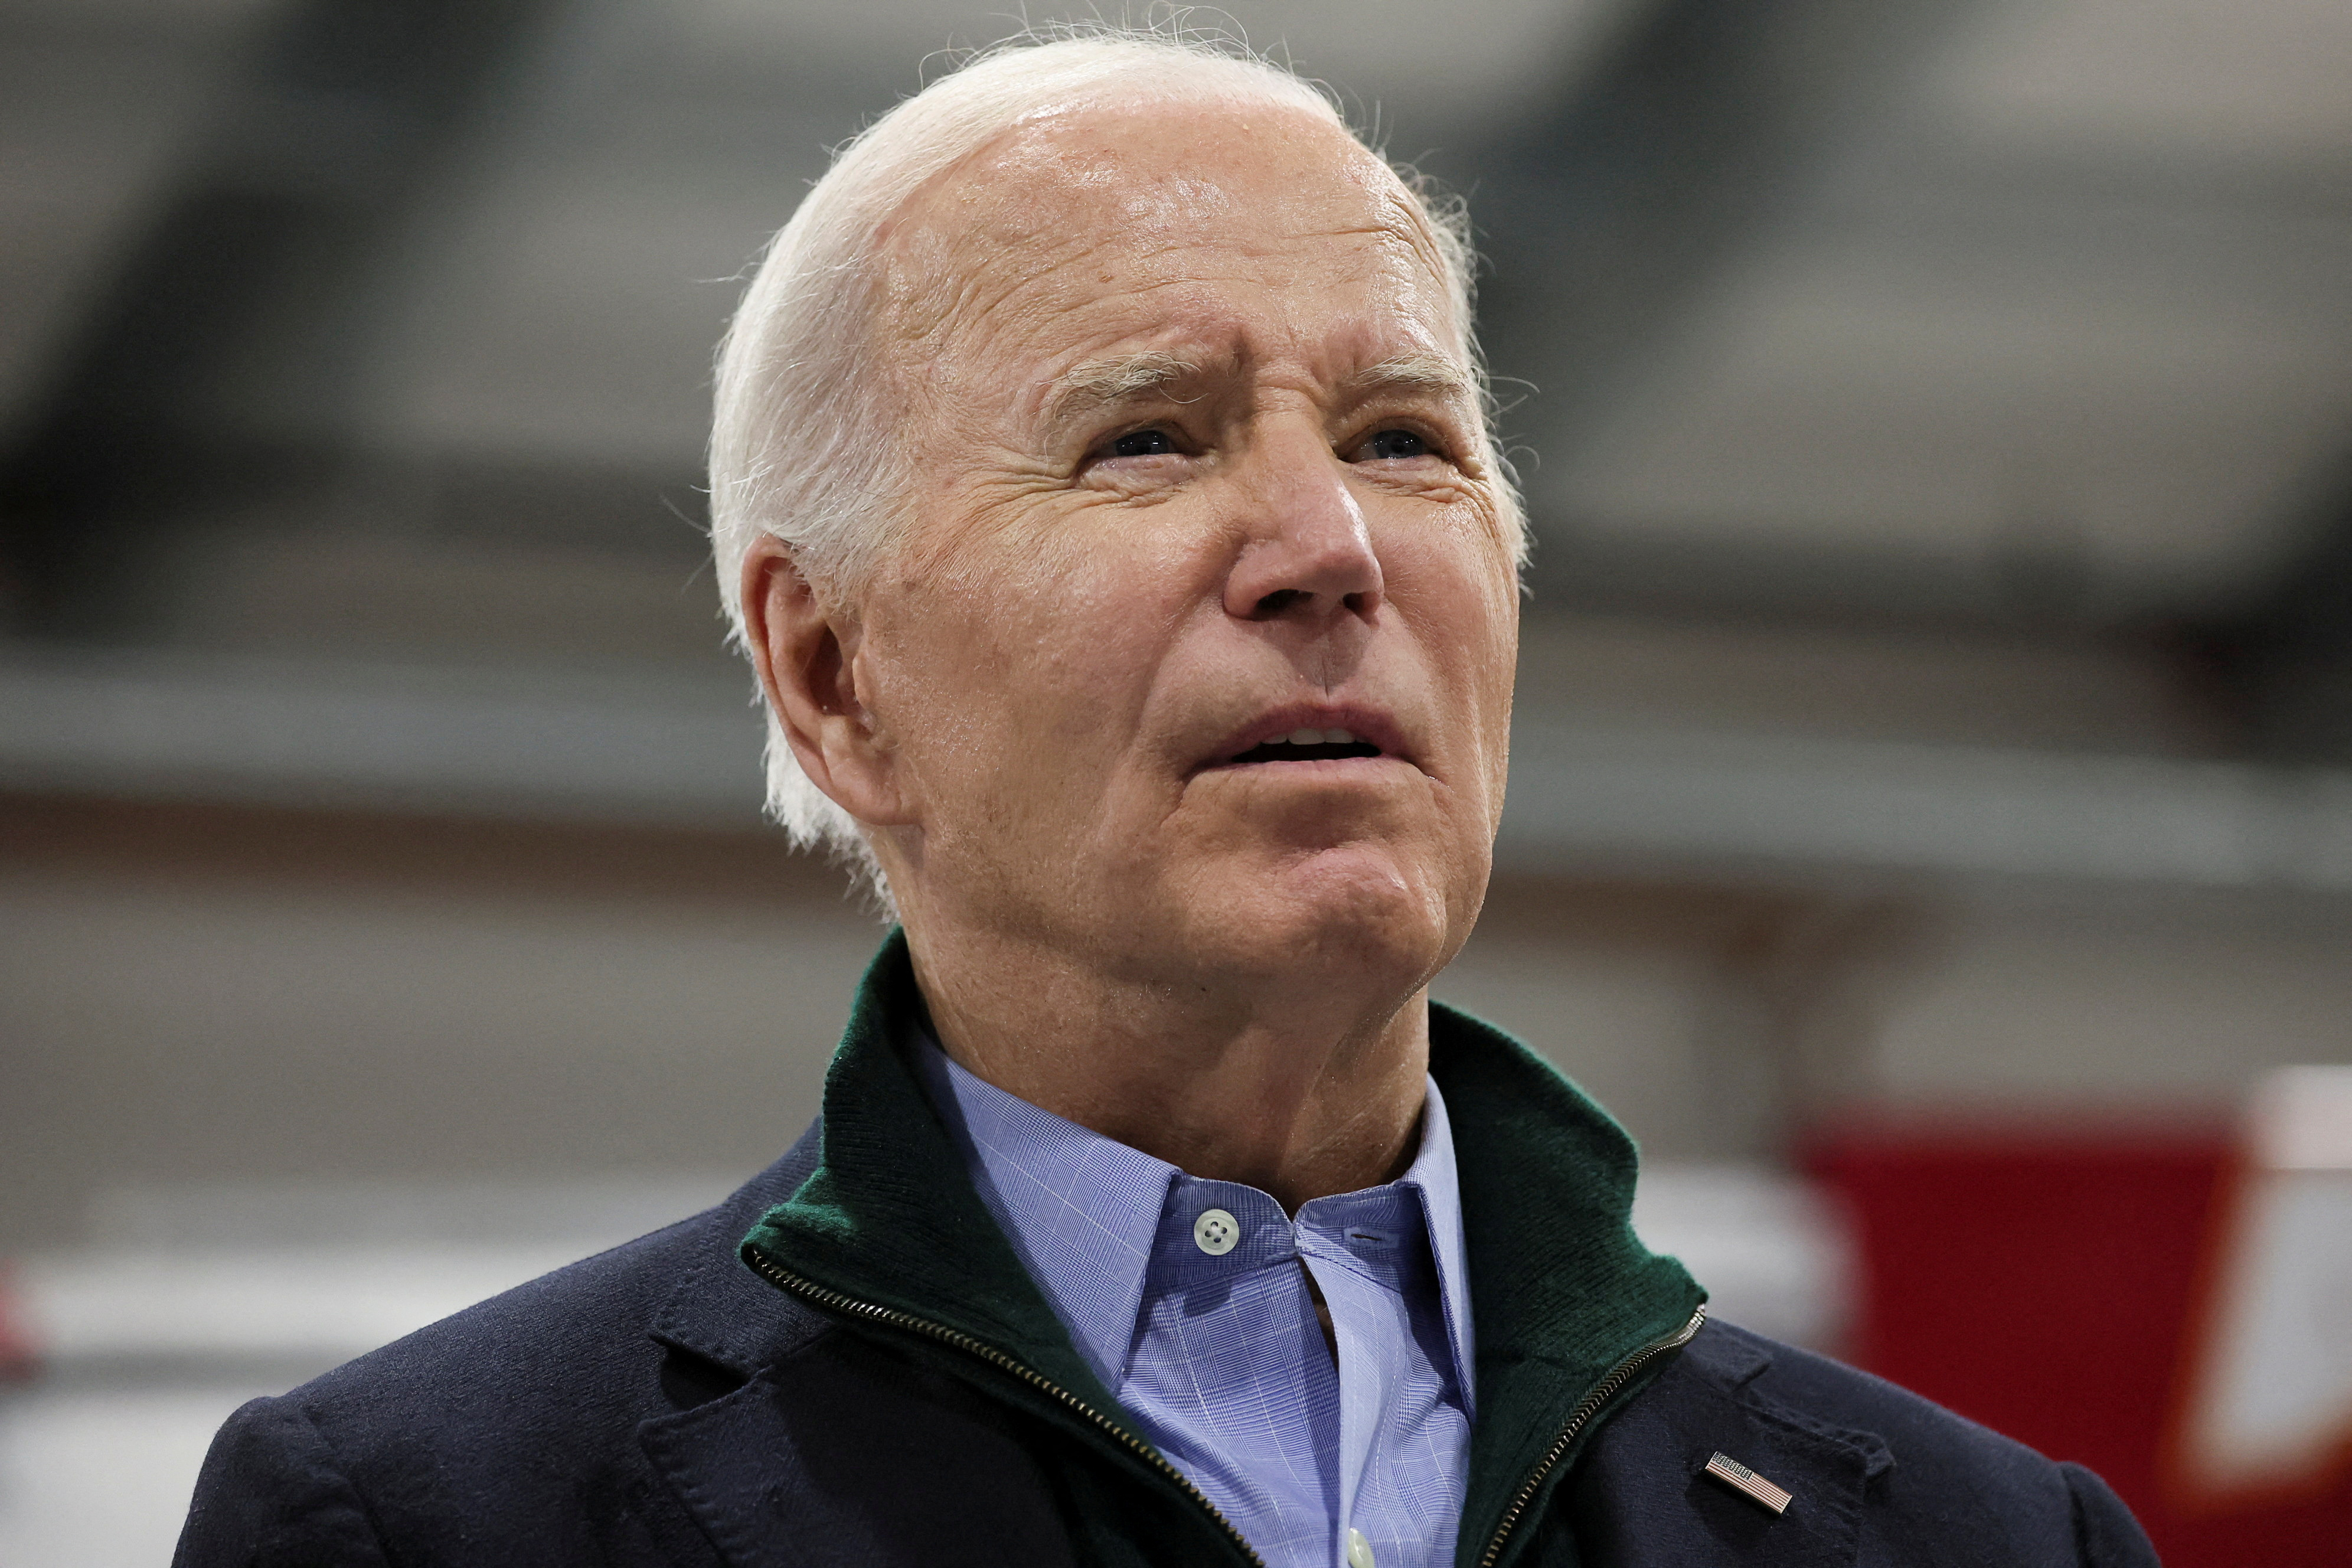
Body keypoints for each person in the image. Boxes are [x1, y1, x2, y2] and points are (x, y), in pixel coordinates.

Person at [175, 30, 2158, 1568]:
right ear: (832, 673)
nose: (1327, 546)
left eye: (1403, 438)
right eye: (1143, 440)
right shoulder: (432, 1523)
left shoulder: (1987, 1539)